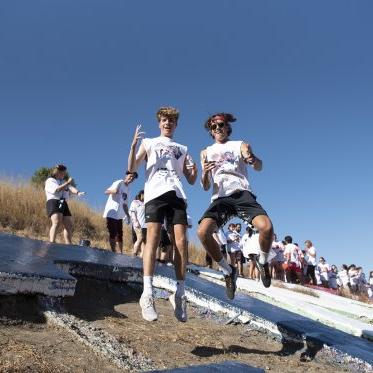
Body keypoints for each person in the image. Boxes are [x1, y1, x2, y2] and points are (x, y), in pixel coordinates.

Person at [127, 107, 197, 322]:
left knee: (181, 242)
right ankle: (147, 293)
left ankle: (179, 293)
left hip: (177, 194)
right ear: (159, 123)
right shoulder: (149, 143)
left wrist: (196, 170)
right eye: (165, 120)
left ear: (176, 125)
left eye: (172, 121)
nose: (168, 123)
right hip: (155, 192)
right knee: (153, 239)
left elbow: (192, 179)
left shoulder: (182, 148)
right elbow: (131, 167)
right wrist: (133, 146)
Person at [197, 112, 274, 298]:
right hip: (220, 199)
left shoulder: (240, 145)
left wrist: (252, 158)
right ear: (210, 131)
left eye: (221, 125)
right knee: (202, 232)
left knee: (267, 228)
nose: (217, 129)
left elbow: (259, 166)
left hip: (241, 194)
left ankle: (263, 262)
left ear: (227, 127)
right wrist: (205, 174)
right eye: (213, 127)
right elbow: (205, 185)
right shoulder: (205, 152)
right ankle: (227, 270)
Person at [45, 164, 85, 244]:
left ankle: (68, 244)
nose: (64, 174)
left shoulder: (63, 182)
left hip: (63, 202)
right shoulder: (50, 180)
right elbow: (57, 189)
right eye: (63, 172)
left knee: (69, 224)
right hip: (54, 201)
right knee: (56, 222)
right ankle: (52, 242)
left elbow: (70, 188)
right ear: (57, 172)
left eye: (64, 173)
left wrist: (78, 192)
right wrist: (68, 182)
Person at [103, 175, 132, 253]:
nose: (131, 178)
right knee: (113, 232)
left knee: (120, 234)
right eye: (130, 176)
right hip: (112, 213)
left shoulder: (127, 189)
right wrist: (114, 191)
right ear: (126, 176)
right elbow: (106, 191)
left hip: (119, 215)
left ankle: (120, 253)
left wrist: (128, 215)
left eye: (133, 178)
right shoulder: (119, 182)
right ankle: (113, 251)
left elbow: (125, 204)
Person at [130, 190, 146, 257]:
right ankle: (134, 254)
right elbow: (132, 212)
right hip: (138, 225)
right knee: (140, 238)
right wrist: (135, 221)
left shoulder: (146, 203)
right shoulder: (135, 202)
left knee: (144, 242)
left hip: (146, 225)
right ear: (141, 194)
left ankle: (141, 257)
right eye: (143, 194)